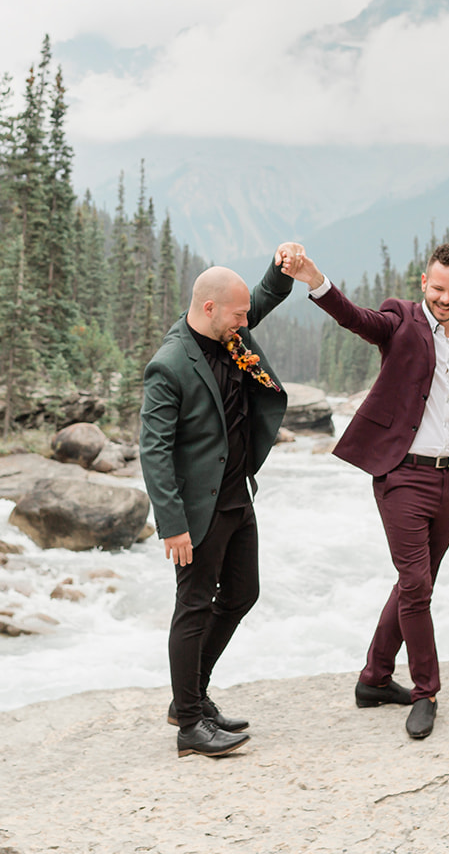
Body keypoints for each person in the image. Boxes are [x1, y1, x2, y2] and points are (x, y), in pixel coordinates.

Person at [280, 241, 449, 741]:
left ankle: (374, 679)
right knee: (417, 585)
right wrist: (314, 279)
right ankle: (426, 691)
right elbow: (356, 318)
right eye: (437, 289)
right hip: (402, 475)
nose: (445, 299)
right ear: (422, 284)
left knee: (415, 584)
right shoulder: (400, 321)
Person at [139, 256, 293, 757]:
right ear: (209, 308)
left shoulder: (231, 334)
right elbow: (154, 449)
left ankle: (191, 698)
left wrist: (281, 268)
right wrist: (172, 525)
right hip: (197, 510)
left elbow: (260, 302)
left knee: (242, 594)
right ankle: (189, 725)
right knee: (193, 605)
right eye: (237, 315)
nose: (246, 323)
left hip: (237, 495)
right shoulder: (169, 365)